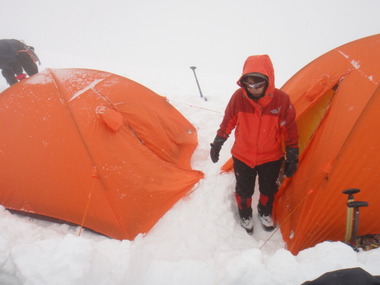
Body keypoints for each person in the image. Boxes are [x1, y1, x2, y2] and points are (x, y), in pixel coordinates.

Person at [210, 55, 299, 234]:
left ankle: (264, 212)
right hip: (243, 155)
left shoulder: (281, 100)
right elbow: (228, 120)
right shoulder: (238, 98)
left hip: (271, 157)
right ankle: (245, 213)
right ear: (243, 83)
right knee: (244, 190)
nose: (254, 89)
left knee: (268, 189)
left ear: (267, 81)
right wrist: (219, 141)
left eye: (258, 84)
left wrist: (292, 154)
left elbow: (290, 129)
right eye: (249, 84)